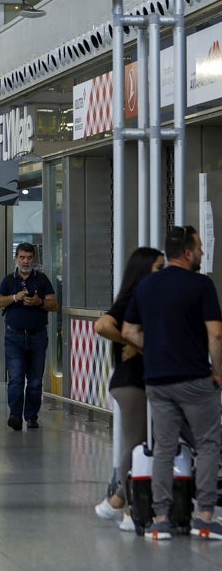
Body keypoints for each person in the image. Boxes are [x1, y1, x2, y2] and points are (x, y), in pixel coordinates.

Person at [123, 225, 222, 540]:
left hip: (157, 379)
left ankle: (161, 519)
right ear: (189, 253)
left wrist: (154, 348)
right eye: (200, 248)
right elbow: (216, 334)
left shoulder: (147, 286)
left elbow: (128, 331)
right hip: (194, 379)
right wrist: (218, 370)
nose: (203, 253)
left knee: (164, 447)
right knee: (207, 444)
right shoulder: (202, 285)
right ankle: (204, 516)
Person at [93, 246, 164, 532]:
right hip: (130, 381)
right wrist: (133, 342)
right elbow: (101, 326)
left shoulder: (149, 298)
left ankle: (118, 501)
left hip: (141, 381)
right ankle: (125, 506)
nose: (164, 271)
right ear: (145, 269)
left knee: (147, 442)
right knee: (135, 444)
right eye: (159, 267)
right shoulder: (134, 298)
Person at [0, 242, 59, 430]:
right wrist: (14, 297)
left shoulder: (42, 280)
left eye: (29, 257)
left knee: (36, 380)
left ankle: (31, 416)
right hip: (14, 337)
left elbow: (54, 305)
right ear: (16, 258)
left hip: (38, 336)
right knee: (16, 378)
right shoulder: (9, 280)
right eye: (22, 257)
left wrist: (39, 302)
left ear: (34, 259)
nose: (25, 261)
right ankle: (15, 415)